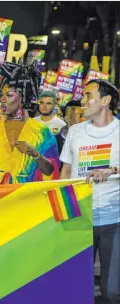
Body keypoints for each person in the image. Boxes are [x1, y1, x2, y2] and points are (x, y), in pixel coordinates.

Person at [60, 79, 120, 304]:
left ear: (105, 101)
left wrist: (112, 170)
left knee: (112, 291)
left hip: (113, 221)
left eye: (88, 96)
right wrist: (64, 211)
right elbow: (65, 171)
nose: (82, 101)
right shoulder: (75, 131)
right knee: (75, 287)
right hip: (79, 219)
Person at [0, 62, 59, 186]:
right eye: (1, 95)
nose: (2, 100)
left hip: (23, 198)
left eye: (9, 95)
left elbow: (51, 170)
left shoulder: (42, 132)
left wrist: (35, 154)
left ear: (23, 97)